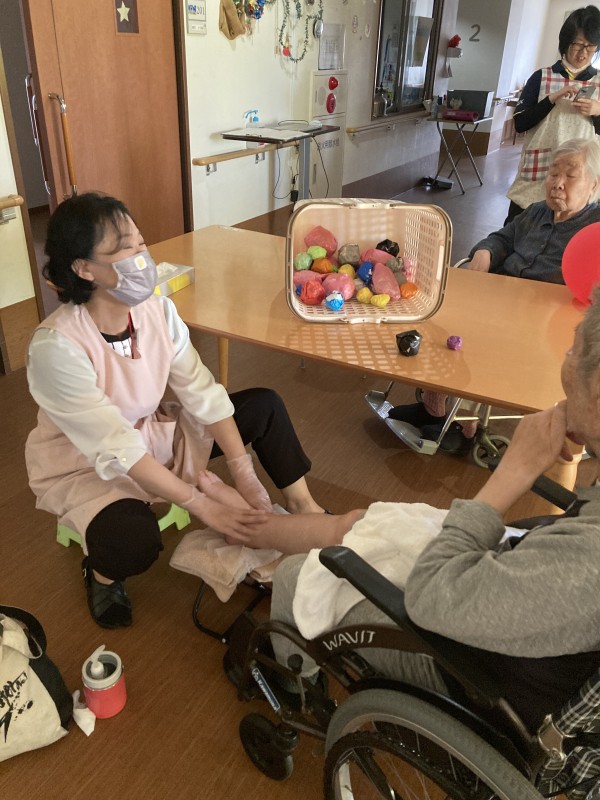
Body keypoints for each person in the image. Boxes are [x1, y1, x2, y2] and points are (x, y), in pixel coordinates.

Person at [265, 293, 600, 735]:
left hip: (468, 668)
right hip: (511, 599)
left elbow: (429, 598)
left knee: (295, 575)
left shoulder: (584, 563)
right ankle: (286, 524)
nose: (566, 358)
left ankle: (293, 689)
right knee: (366, 522)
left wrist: (514, 472)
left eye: (574, 348)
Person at [25, 192, 326, 630]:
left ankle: (304, 506)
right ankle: (102, 574)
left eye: (141, 243)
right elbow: (116, 446)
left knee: (263, 405)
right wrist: (203, 506)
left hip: (152, 434)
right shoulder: (56, 346)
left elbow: (202, 392)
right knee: (134, 539)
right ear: (84, 268)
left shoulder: (156, 311)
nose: (142, 257)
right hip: (86, 464)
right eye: (125, 248)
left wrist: (241, 470)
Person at [387, 136, 600, 453]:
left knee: (481, 340)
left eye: (570, 176)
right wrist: (485, 252)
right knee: (442, 314)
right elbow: (502, 237)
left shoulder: (595, 228)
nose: (557, 183)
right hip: (501, 297)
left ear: (594, 185)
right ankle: (434, 405)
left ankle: (466, 423)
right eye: (554, 173)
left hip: (546, 319)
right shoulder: (536, 212)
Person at [506, 5, 600, 223]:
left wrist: (597, 111)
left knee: (571, 230)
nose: (583, 53)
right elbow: (520, 123)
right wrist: (551, 100)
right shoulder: (541, 77)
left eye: (590, 46)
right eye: (578, 44)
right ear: (566, 42)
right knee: (519, 226)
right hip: (540, 171)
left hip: (579, 175)